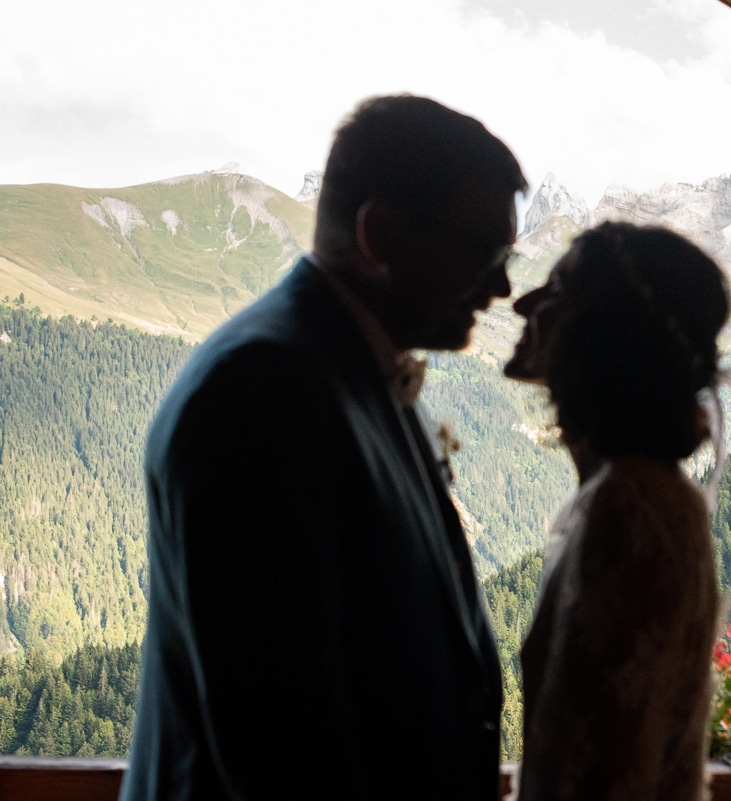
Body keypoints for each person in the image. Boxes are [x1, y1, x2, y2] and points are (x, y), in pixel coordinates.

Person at [120, 94, 527, 801]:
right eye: (481, 253)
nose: (502, 287)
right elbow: (280, 738)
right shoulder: (262, 389)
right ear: (379, 236)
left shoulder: (339, 367)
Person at [504, 221, 731, 801]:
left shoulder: (628, 512)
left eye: (555, 292)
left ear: (601, 334)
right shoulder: (645, 497)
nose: (523, 302)